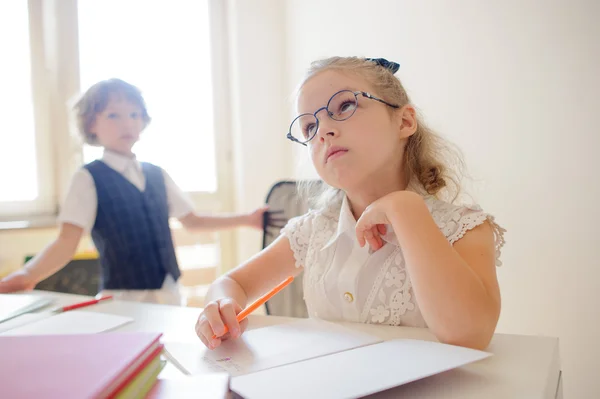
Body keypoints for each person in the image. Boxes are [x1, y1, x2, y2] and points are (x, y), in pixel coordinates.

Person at [195, 56, 506, 350]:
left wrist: (405, 209)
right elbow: (232, 282)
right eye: (309, 128)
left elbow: (469, 334)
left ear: (405, 121)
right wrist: (220, 305)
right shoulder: (312, 231)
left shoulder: (464, 227)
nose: (324, 131)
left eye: (344, 105)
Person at [0, 78, 268, 305]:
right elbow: (66, 242)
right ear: (91, 124)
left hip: (170, 293)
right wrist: (27, 274)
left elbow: (193, 221)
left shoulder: (156, 173)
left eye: (134, 114)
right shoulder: (88, 178)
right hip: (122, 297)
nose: (127, 123)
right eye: (113, 115)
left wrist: (247, 219)